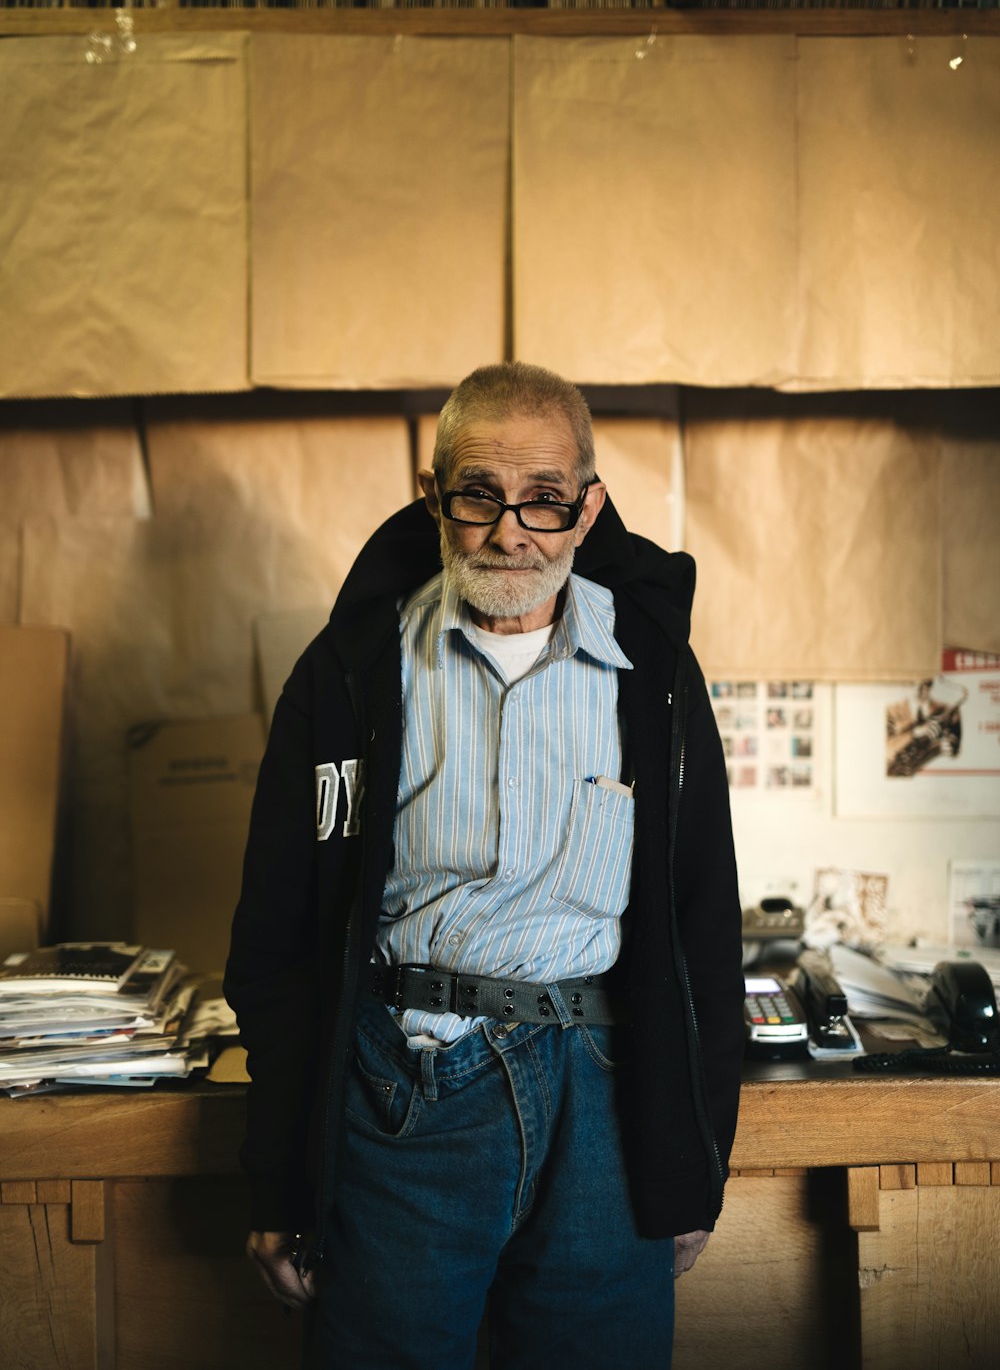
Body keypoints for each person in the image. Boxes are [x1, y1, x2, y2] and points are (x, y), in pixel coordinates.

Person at [224, 362, 744, 1369]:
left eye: (545, 500)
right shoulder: (349, 674)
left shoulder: (655, 677)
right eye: (479, 495)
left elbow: (700, 929)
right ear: (435, 498)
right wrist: (279, 1182)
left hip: (608, 1106)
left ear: (587, 509)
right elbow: (275, 947)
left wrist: (693, 1163)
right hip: (405, 1094)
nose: (511, 532)